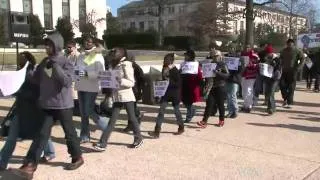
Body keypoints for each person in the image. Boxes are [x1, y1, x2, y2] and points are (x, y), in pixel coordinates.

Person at [11, 32, 83, 179]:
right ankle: (29, 165)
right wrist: (27, 68)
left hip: (63, 105)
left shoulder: (66, 61)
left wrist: (55, 66)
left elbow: (67, 82)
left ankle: (77, 157)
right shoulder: (44, 61)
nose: (46, 47)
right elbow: (36, 80)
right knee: (41, 134)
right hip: (47, 105)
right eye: (46, 44)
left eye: (49, 44)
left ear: (57, 45)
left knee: (69, 133)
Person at [0, 52, 55, 170]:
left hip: (33, 111)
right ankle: (2, 162)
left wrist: (18, 92)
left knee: (41, 134)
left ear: (29, 60)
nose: (20, 60)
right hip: (19, 111)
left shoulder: (32, 74)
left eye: (23, 58)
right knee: (11, 138)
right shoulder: (18, 73)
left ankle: (49, 152)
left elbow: (35, 92)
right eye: (19, 58)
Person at [93, 48, 143, 152]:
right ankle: (102, 143)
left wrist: (119, 80)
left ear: (122, 54)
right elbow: (111, 81)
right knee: (112, 121)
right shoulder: (113, 65)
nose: (113, 53)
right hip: (117, 96)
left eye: (116, 52)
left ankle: (138, 138)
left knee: (132, 118)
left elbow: (131, 82)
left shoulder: (126, 65)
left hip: (127, 96)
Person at [74, 36, 109, 144]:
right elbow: (76, 68)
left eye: (89, 41)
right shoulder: (81, 55)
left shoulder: (98, 56)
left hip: (91, 87)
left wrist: (87, 74)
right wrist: (75, 72)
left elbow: (101, 73)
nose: (87, 43)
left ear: (94, 43)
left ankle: (107, 128)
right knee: (83, 113)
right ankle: (84, 136)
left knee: (88, 111)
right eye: (86, 41)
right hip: (81, 86)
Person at [148, 53, 184, 138]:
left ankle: (181, 127)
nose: (164, 61)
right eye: (164, 59)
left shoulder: (174, 70)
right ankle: (157, 131)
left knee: (176, 111)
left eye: (166, 60)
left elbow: (178, 83)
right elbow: (163, 80)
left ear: (171, 61)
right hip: (165, 93)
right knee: (161, 111)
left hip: (174, 93)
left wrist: (169, 83)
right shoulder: (164, 68)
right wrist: (159, 90)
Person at [197, 50, 229, 128]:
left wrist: (217, 73)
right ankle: (204, 121)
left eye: (216, 56)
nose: (215, 58)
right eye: (213, 56)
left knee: (220, 104)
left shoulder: (222, 64)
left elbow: (227, 75)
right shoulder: (209, 64)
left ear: (220, 56)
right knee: (209, 104)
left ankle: (221, 120)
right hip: (211, 87)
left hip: (220, 87)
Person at [279, 39, 305, 108]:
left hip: (293, 71)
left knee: (291, 87)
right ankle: (285, 98)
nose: (289, 45)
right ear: (286, 44)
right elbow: (280, 59)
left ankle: (289, 102)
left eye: (291, 44)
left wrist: (298, 67)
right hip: (284, 71)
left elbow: (303, 58)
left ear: (293, 44)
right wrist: (279, 65)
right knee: (282, 85)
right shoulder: (283, 51)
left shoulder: (297, 50)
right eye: (288, 44)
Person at [122, 54, 145, 132]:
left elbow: (142, 78)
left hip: (135, 91)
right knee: (130, 108)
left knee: (131, 109)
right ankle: (138, 115)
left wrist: (141, 89)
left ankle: (131, 125)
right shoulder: (125, 66)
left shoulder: (136, 67)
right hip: (128, 90)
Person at [181, 49, 203, 123]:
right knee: (185, 101)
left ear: (190, 56)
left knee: (189, 102)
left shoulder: (195, 65)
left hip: (192, 86)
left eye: (186, 55)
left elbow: (200, 76)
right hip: (184, 86)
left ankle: (189, 117)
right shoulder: (183, 64)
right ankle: (192, 110)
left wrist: (197, 84)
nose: (185, 57)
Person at [225, 51, 242, 118]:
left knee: (232, 95)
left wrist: (237, 65)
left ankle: (235, 110)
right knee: (228, 96)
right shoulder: (226, 60)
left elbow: (241, 70)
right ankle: (230, 111)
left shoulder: (239, 61)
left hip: (234, 80)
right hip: (228, 79)